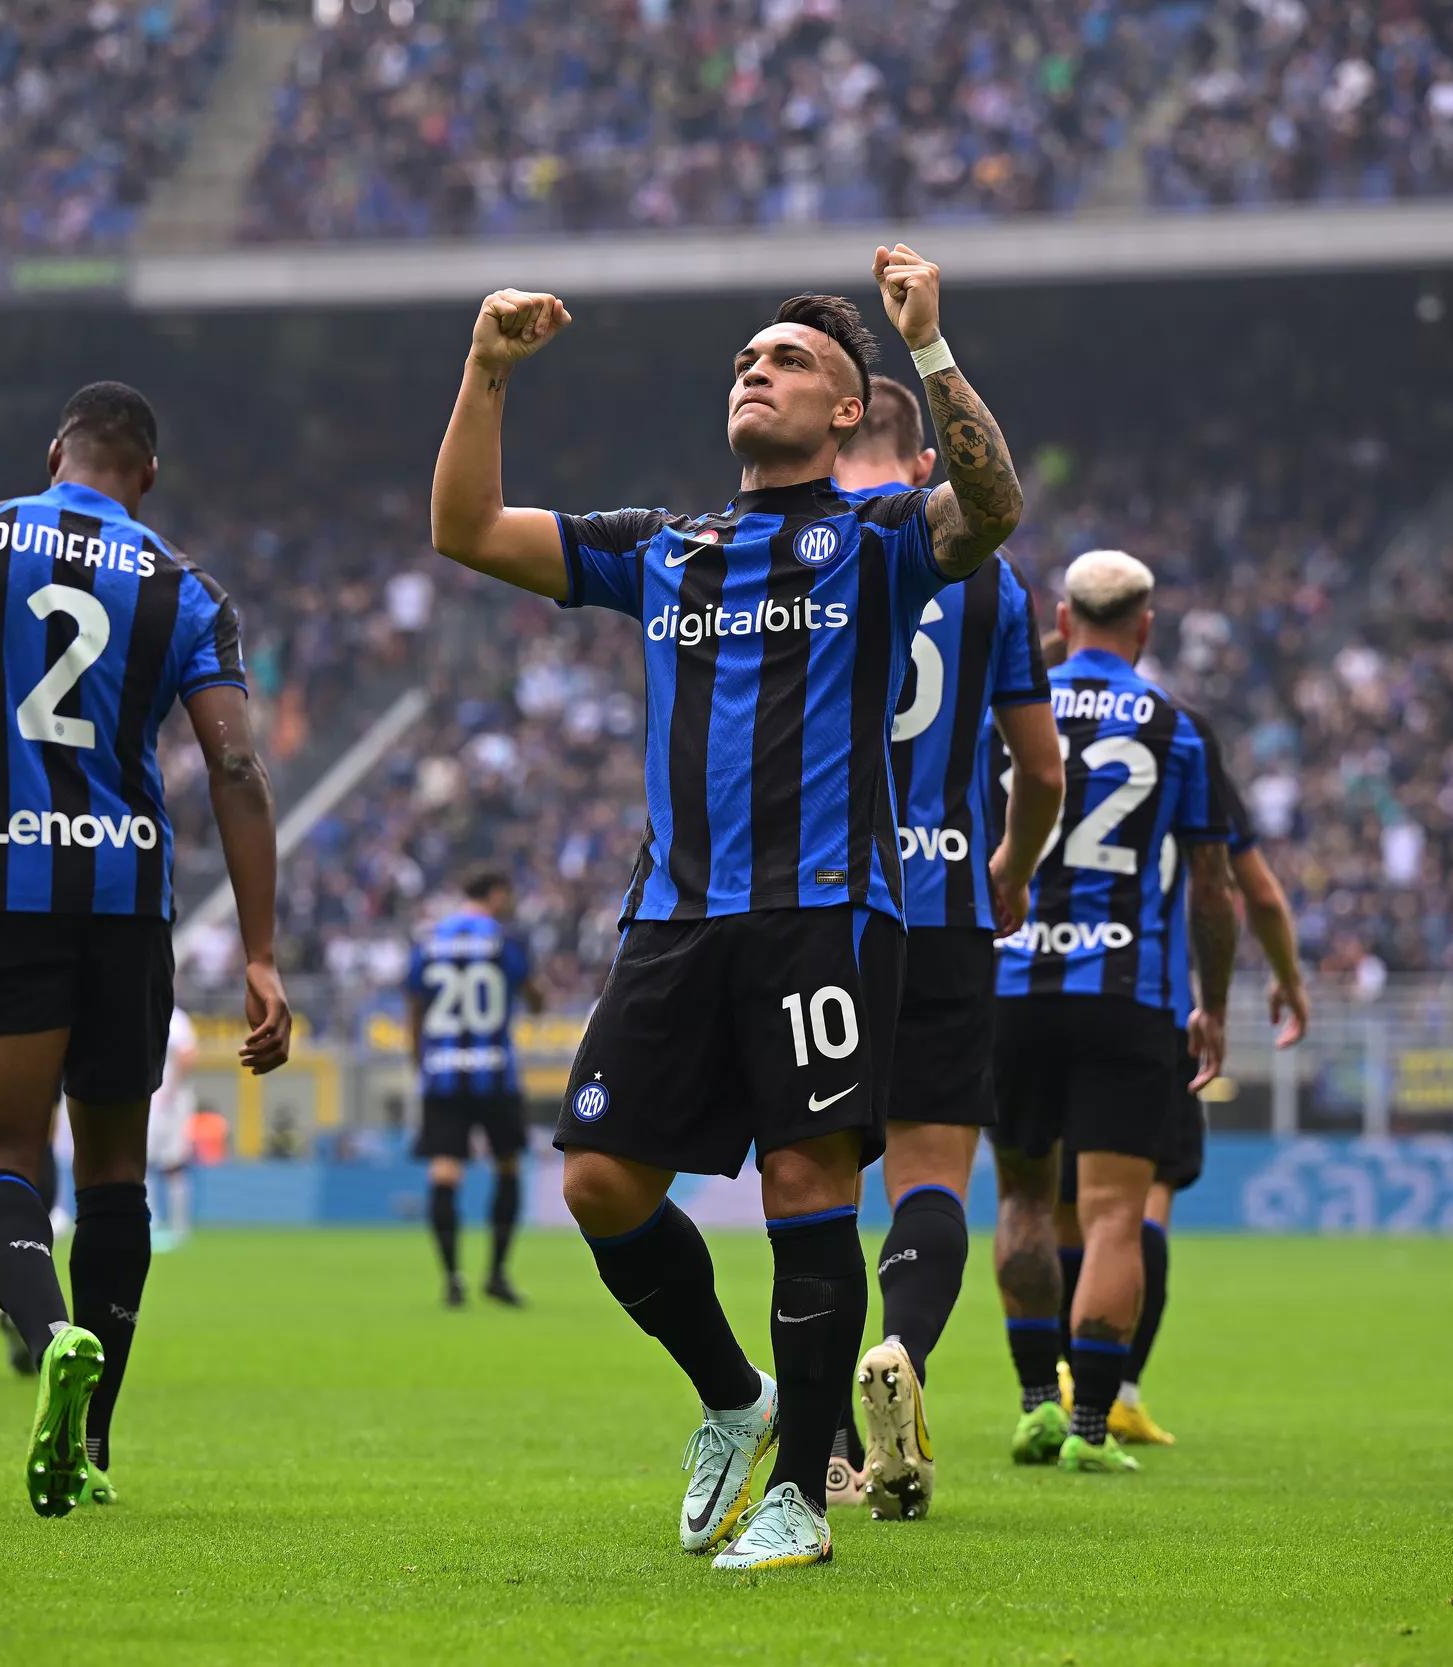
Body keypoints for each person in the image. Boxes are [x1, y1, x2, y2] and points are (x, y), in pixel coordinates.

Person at [428, 245, 1023, 1571]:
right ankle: (732, 1393)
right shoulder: (663, 548)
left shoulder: (876, 540)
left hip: (826, 911)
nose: (757, 370)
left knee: (809, 1182)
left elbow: (993, 503)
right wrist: (485, 370)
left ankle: (802, 1495)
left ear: (846, 411)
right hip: (676, 917)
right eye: (748, 358)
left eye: (791, 361)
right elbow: (466, 528)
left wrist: (927, 345)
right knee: (598, 1178)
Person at [0, 381, 294, 1519]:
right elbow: (236, 767)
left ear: (55, 451)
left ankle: (47, 1331)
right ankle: (91, 1442)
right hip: (125, 902)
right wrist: (260, 954)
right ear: (145, 476)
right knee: (113, 1179)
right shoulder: (187, 587)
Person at [826, 374, 1063, 1520]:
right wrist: (1008, 866)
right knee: (930, 1176)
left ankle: (829, 1446)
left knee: (815, 1182)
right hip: (948, 908)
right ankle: (902, 1350)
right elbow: (1042, 769)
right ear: (926, 464)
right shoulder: (988, 575)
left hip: (821, 908)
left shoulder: (792, 543)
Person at [988, 550, 1237, 1477]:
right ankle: (1091, 1427)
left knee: (1022, 1199)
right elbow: (1211, 885)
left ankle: (1034, 1408)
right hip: (1129, 995)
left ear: (1062, 621)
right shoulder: (1178, 728)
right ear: (1146, 626)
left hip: (1015, 984)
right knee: (1113, 1217)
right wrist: (1213, 1003)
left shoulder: (1009, 709)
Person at [1052, 751, 1310, 1448]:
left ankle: (1046, 1389)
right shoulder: (1180, 743)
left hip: (1035, 988)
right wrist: (1282, 976)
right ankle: (1116, 1392)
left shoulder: (1042, 729)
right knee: (1140, 1203)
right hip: (1145, 1001)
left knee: (1055, 1199)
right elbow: (1250, 889)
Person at [407, 869, 542, 1308]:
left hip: (442, 1072)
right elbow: (535, 998)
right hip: (495, 1070)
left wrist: (419, 1062)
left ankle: (452, 1279)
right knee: (507, 1165)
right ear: (497, 894)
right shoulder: (505, 939)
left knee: (445, 1170)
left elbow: (414, 1007)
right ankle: (496, 1274)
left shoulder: (429, 939)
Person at [147, 1006, 199, 1253]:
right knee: (142, 1163)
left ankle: (179, 1227)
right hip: (147, 1100)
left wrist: (170, 1089)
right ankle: (150, 1223)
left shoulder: (175, 1017)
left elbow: (188, 1054)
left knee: (173, 1163)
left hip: (169, 1102)